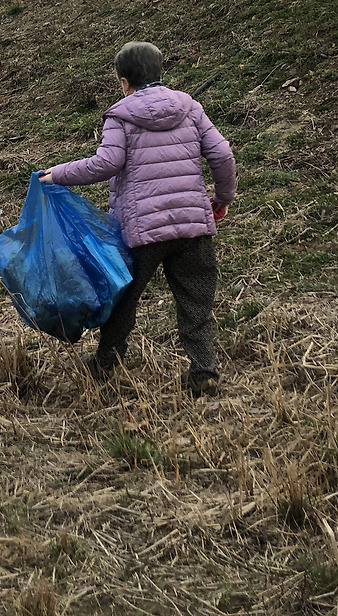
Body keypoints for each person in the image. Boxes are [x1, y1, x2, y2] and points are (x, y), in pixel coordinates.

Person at [39, 42, 237, 397]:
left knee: (124, 299)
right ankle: (204, 370)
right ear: (160, 72)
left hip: (143, 230)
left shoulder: (121, 115)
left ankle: (105, 364)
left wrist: (58, 174)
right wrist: (221, 199)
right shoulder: (190, 107)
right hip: (193, 223)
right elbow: (222, 154)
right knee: (196, 299)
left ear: (125, 80)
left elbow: (106, 164)